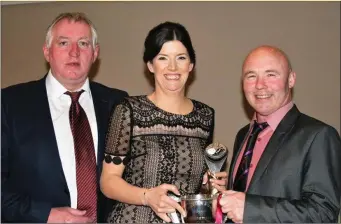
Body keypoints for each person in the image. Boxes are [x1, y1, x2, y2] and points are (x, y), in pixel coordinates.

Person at [1, 12, 128, 223]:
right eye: (63, 43)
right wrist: (46, 215)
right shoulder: (8, 103)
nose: (74, 52)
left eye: (83, 43)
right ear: (46, 52)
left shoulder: (118, 103)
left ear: (95, 53)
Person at [100, 21, 226, 223]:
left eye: (181, 58)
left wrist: (212, 185)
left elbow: (195, 185)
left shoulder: (205, 116)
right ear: (150, 65)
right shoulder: (129, 110)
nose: (173, 67)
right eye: (163, 58)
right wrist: (147, 196)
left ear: (191, 65)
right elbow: (108, 182)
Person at [219, 45, 341, 223]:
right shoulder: (243, 134)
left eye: (271, 74)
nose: (260, 85)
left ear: (291, 79)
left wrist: (250, 209)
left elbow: (323, 213)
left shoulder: (319, 135)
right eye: (251, 76)